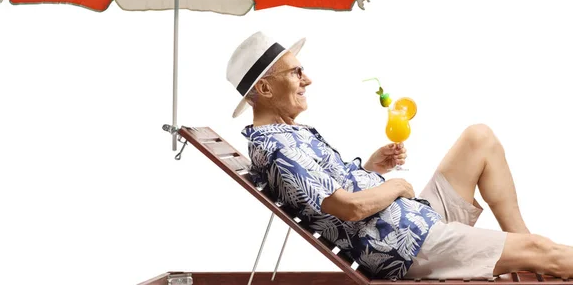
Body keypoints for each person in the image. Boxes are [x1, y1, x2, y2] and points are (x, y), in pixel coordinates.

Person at [226, 31, 572, 279]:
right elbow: (349, 208)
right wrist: (396, 186)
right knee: (547, 251)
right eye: (295, 72)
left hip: (412, 221)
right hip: (405, 245)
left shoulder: (287, 136)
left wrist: (371, 166)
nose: (308, 79)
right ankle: (536, 256)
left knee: (479, 138)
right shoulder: (276, 149)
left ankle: (526, 251)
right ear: (265, 88)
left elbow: (328, 192)